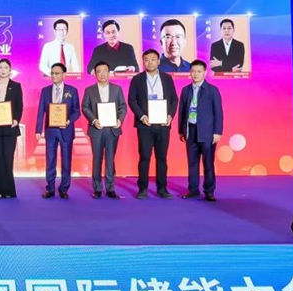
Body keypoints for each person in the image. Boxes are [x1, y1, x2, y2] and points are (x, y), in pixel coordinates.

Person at [128, 49, 179, 199]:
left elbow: (174, 99)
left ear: (158, 61)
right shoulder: (137, 79)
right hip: (145, 125)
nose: (149, 62)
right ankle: (142, 189)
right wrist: (142, 116)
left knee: (162, 158)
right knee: (144, 156)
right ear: (143, 62)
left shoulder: (167, 78)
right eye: (146, 60)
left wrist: (170, 116)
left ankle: (162, 188)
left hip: (163, 125)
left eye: (152, 59)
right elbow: (131, 100)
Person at [178, 60, 224, 202]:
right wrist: (181, 131)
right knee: (192, 163)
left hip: (207, 132)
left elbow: (218, 113)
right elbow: (182, 112)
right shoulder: (186, 90)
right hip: (190, 131)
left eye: (199, 71)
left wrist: (217, 132)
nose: (196, 74)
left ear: (205, 73)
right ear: (190, 73)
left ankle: (209, 191)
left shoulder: (212, 90)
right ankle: (193, 190)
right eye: (193, 71)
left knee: (208, 163)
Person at [82, 62, 128, 199]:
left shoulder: (117, 89)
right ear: (95, 74)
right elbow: (85, 107)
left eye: (105, 71)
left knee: (110, 159)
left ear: (109, 73)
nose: (102, 74)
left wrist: (119, 120)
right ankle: (97, 188)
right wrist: (93, 120)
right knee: (97, 159)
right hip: (96, 129)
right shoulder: (89, 90)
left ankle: (110, 188)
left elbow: (123, 106)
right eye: (99, 71)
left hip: (112, 130)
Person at [35, 63, 81, 199]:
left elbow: (76, 111)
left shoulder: (72, 90)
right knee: (50, 160)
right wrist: (38, 130)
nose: (54, 76)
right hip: (50, 131)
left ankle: (64, 189)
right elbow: (41, 111)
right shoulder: (45, 91)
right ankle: (50, 188)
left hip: (66, 130)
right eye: (52, 73)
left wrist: (69, 120)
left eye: (57, 73)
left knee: (66, 161)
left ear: (64, 75)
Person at [0, 59, 23, 198]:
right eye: (0, 67)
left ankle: (8, 190)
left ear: (10, 70)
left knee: (8, 159)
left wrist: (16, 120)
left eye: (5, 67)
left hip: (10, 128)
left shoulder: (16, 86)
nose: (3, 70)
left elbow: (19, 106)